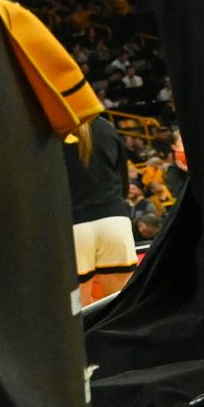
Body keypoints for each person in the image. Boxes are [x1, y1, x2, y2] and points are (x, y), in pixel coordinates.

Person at [65, 116, 138, 305]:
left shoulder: (54, 130)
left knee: (82, 313)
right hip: (115, 221)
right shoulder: (106, 127)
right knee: (123, 306)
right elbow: (123, 182)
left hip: (74, 226)